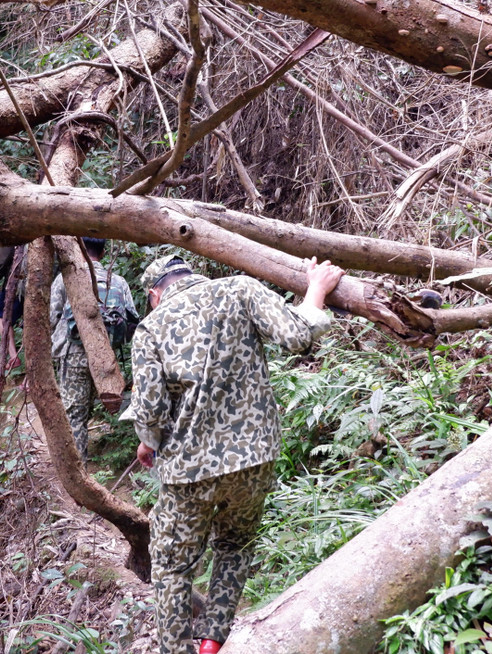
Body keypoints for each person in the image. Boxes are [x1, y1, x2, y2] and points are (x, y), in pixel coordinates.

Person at [121, 254, 344, 654]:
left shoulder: (151, 328)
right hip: (255, 459)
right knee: (235, 545)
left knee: (172, 568)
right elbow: (296, 335)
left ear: (155, 294)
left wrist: (148, 443)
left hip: (190, 470)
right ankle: (211, 642)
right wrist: (316, 289)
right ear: (191, 276)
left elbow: (151, 411)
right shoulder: (239, 289)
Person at [49, 237, 137, 460]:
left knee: (74, 414)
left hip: (73, 354)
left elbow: (51, 317)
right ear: (104, 252)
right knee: (92, 408)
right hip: (106, 358)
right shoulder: (118, 281)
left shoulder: (66, 278)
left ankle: (77, 472)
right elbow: (132, 320)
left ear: (80, 251)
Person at [0, 245, 24, 372]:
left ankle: (13, 356)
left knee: (2, 317)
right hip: (45, 282)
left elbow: (4, 255)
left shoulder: (16, 231)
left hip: (18, 281)